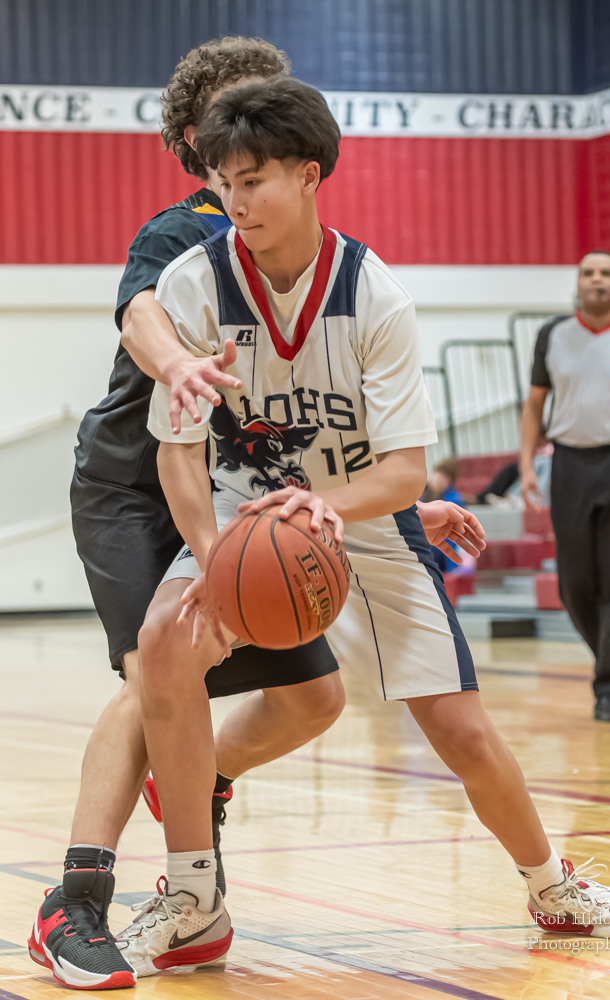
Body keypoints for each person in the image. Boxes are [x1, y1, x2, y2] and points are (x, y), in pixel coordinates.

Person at [109, 79, 610, 983]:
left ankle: (552, 886)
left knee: (462, 732)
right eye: (226, 182)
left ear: (308, 174)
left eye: (254, 180)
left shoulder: (375, 295)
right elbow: (178, 455)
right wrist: (213, 561)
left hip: (362, 517)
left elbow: (405, 473)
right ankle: (194, 899)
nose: (236, 201)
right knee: (165, 639)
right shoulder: (191, 283)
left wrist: (330, 505)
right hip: (246, 515)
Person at [30, 38, 486, 991]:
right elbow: (140, 316)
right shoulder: (185, 233)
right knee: (155, 670)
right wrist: (177, 363)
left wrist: (406, 505)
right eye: (232, 126)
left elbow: (308, 416)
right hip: (137, 486)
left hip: (240, 492)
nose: (252, 139)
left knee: (314, 699)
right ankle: (73, 902)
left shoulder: (305, 252)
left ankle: (196, 783)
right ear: (196, 143)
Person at [520, 251, 610, 722]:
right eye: (588, 273)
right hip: (569, 465)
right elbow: (534, 405)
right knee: (573, 585)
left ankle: (609, 687)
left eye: (606, 273)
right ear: (578, 284)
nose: (597, 279)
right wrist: (525, 465)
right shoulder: (553, 335)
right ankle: (607, 656)